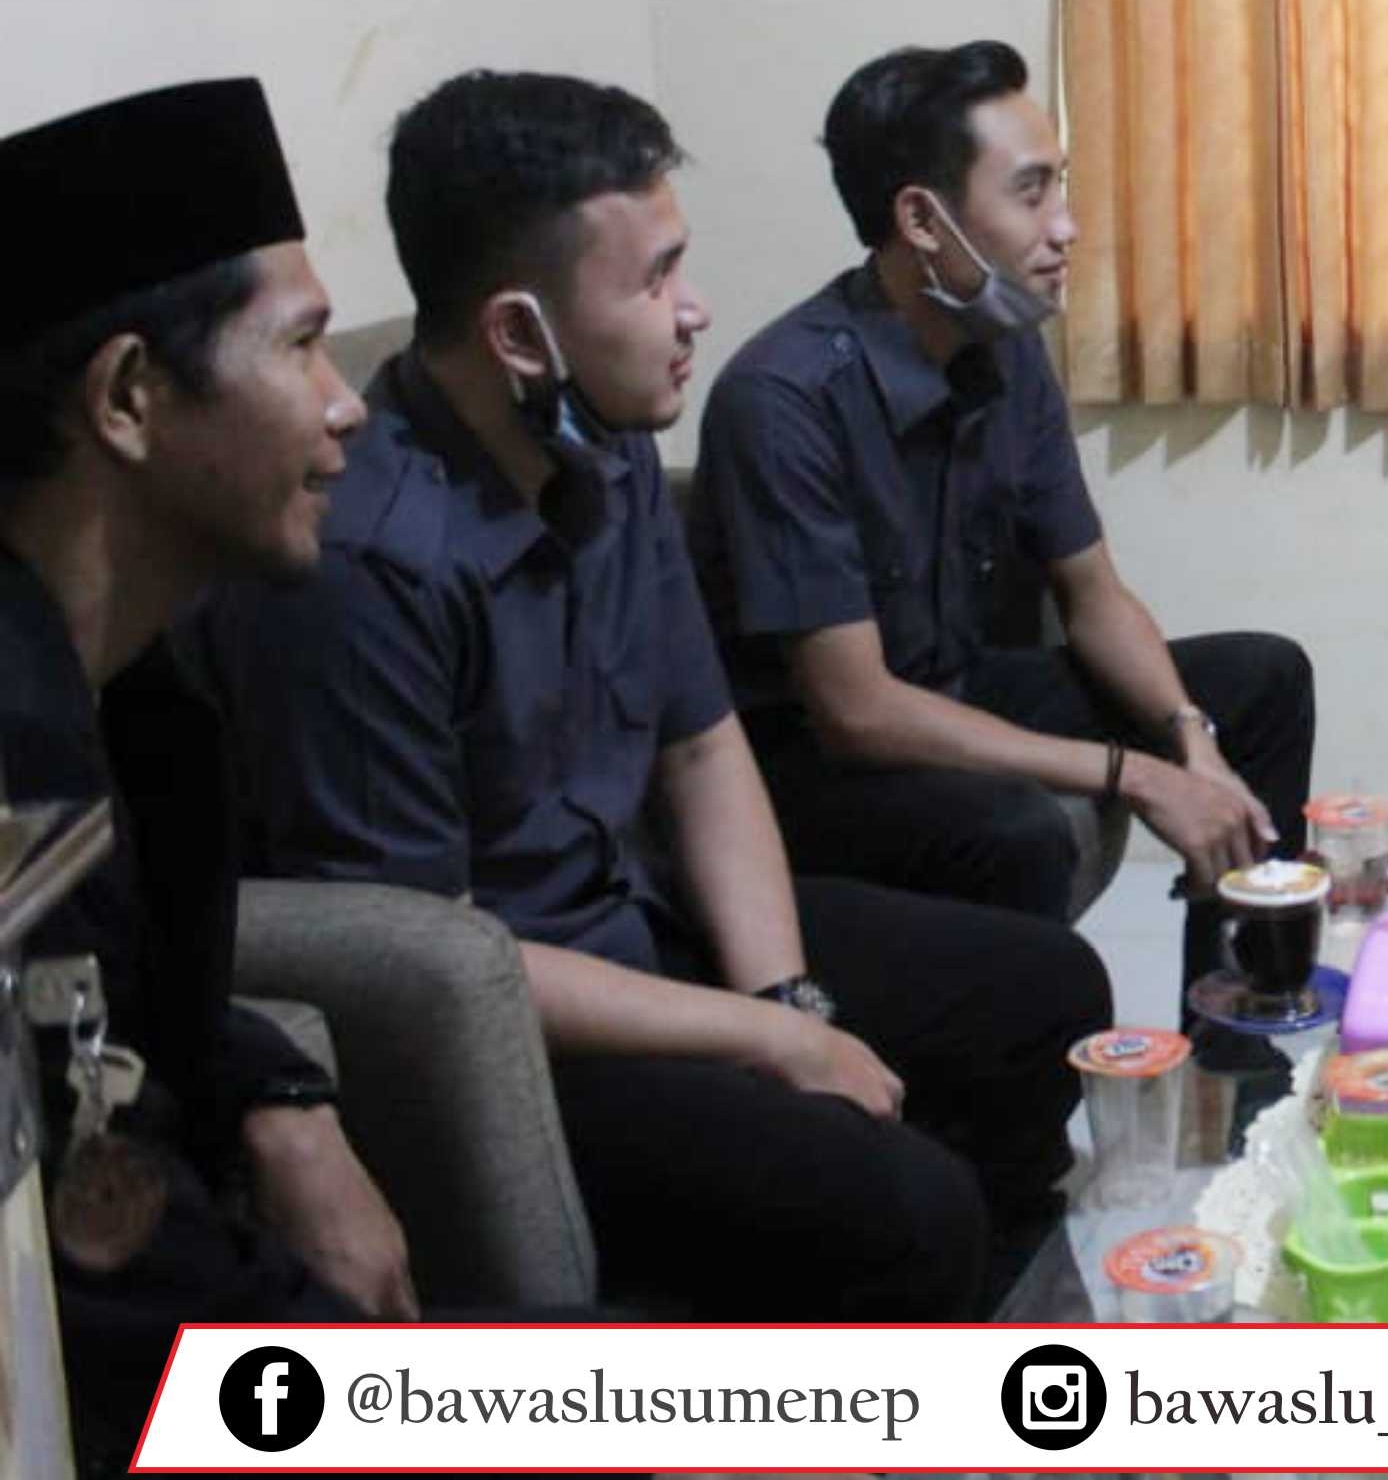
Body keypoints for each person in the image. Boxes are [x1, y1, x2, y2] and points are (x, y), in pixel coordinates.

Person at [192, 71, 1110, 1321]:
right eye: (654, 279)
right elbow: (437, 962)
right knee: (906, 1205)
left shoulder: (607, 442)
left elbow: (701, 748)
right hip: (525, 1027)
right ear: (520, 333)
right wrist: (763, 1042)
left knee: (1046, 993)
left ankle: (977, 1311)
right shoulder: (368, 564)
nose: (694, 309)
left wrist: (786, 1001)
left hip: (648, 918)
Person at [687, 40, 1313, 1003]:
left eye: (1059, 185)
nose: (1066, 227)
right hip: (812, 759)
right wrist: (1134, 774)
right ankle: (1018, 1078)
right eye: (1030, 193)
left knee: (1263, 677)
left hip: (952, 684)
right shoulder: (784, 398)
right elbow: (856, 711)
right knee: (1014, 830)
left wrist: (1188, 735)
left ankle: (1238, 1033)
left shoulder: (1006, 351)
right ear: (921, 220)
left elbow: (1093, 594)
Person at [0, 79, 408, 1476]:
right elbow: (108, 1297)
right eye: (301, 343)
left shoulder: (142, 680)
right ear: (128, 396)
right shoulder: (15, 754)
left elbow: (130, 1005)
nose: (348, 402)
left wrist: (275, 1091)